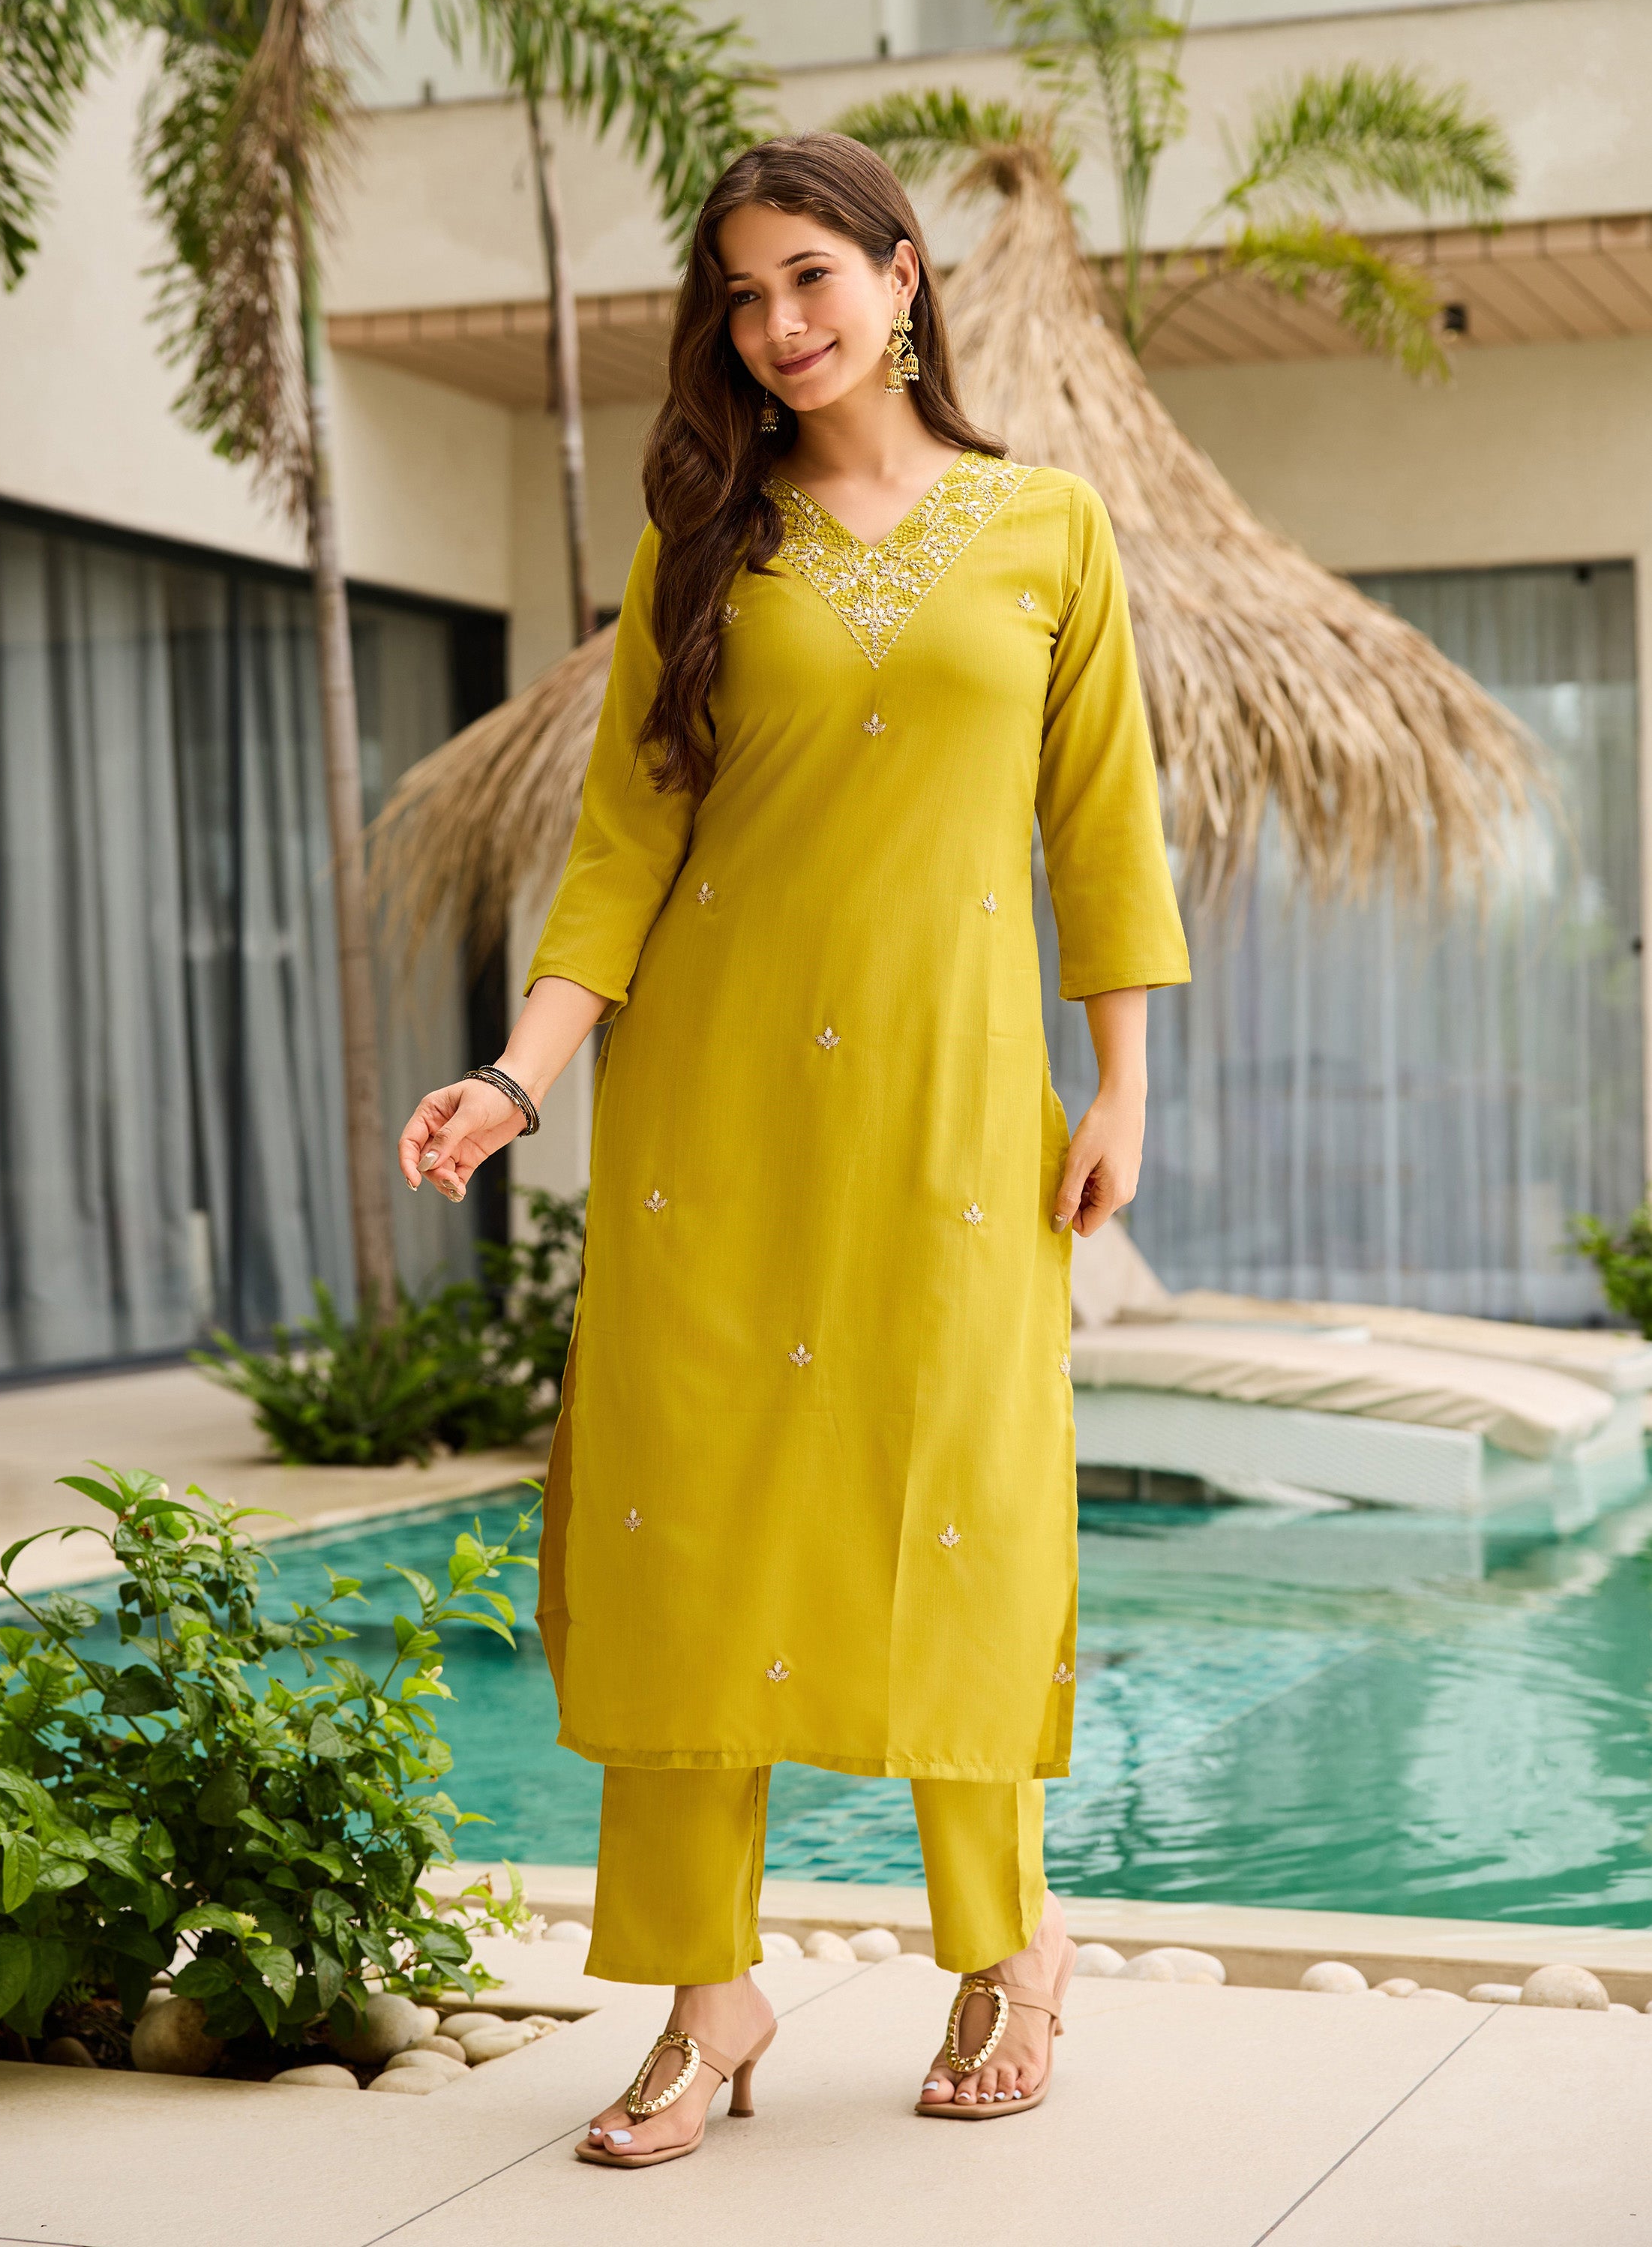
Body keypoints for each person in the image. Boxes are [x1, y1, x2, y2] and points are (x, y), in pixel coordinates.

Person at [398, 131, 1189, 2170]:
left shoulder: (1047, 529)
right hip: (709, 1119)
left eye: (812, 279)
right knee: (693, 1532)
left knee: (964, 1519)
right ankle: (701, 1995)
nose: (780, 327)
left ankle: (1011, 1951)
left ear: (902, 277)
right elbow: (623, 849)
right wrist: (520, 1072)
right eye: (742, 297)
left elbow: (1097, 829)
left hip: (948, 1117)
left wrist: (1119, 1091)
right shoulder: (698, 547)